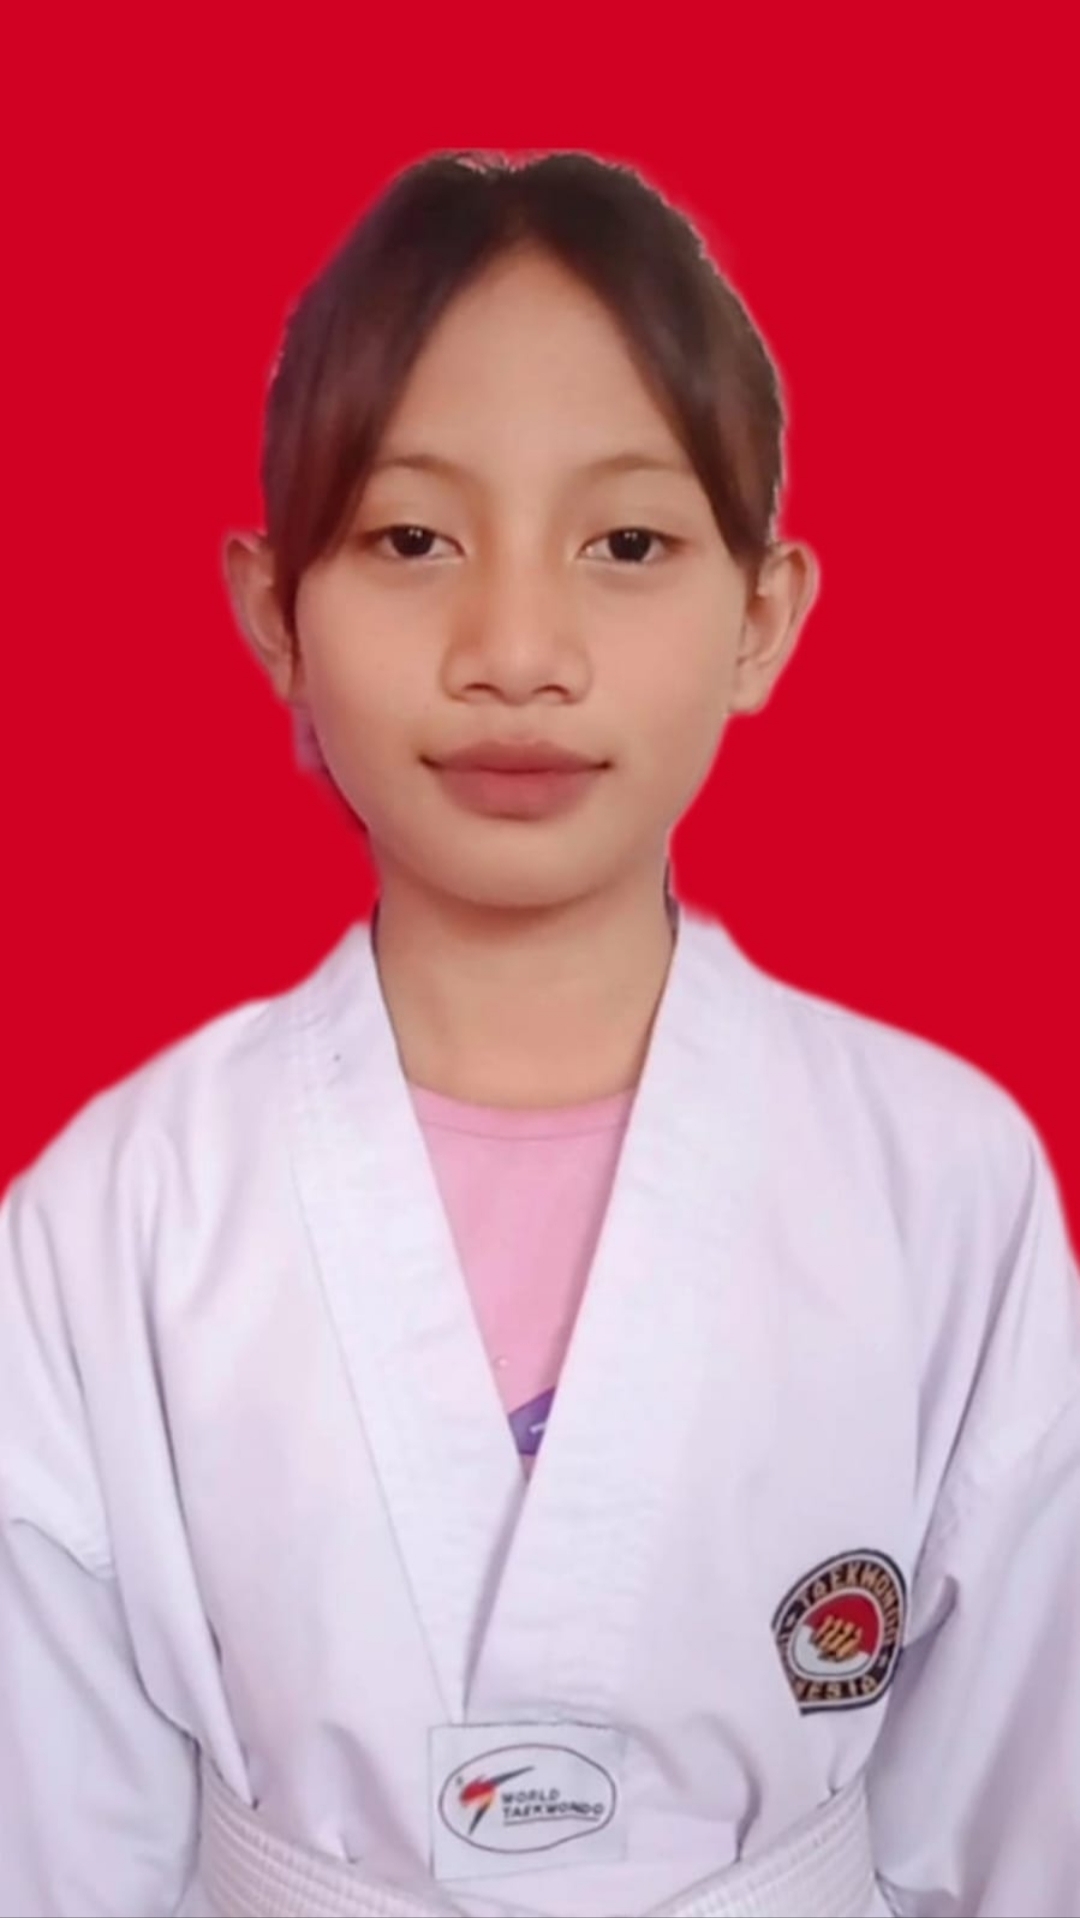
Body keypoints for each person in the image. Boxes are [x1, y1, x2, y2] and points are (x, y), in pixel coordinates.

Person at [1, 149, 1077, 1918]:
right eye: (412, 539)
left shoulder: (947, 1182)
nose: (515, 648)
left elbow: (1027, 1827)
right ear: (275, 614)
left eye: (628, 543)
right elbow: (51, 1849)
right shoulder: (114, 1218)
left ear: (762, 617)